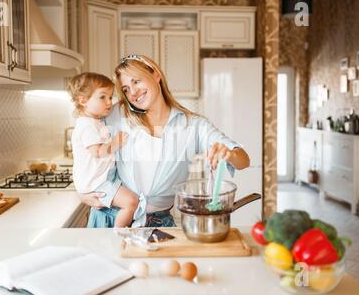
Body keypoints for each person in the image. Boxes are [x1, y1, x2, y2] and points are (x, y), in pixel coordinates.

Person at [79, 55, 250, 228]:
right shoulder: (115, 114)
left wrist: (228, 153)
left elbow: (243, 160)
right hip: (109, 218)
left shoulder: (193, 125)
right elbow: (83, 141)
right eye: (126, 89)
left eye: (137, 81)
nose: (133, 93)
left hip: (159, 225)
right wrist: (82, 191)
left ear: (156, 75)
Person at [67, 72, 141, 227]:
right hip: (97, 183)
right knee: (131, 203)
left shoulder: (95, 121)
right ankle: (118, 233)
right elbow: (98, 152)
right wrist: (116, 143)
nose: (109, 102)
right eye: (102, 97)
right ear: (83, 100)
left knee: (131, 201)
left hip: (102, 179)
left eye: (110, 96)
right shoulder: (87, 125)